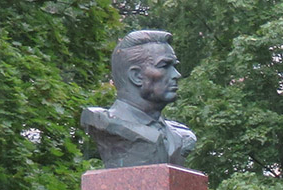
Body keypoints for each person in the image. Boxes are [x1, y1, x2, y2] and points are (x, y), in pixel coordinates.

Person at [80, 30, 197, 168]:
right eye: (164, 66)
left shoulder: (182, 135)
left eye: (174, 66)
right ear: (136, 76)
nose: (176, 75)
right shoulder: (102, 122)